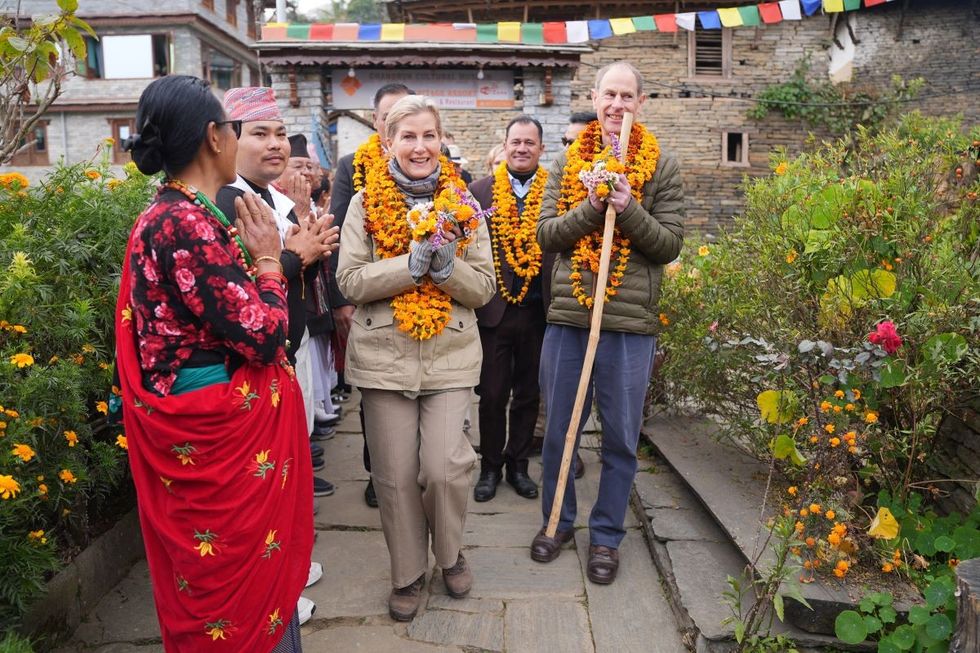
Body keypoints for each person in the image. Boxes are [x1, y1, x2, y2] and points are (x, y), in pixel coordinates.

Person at [116, 74, 313, 651]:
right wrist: (272, 262)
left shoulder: (176, 213)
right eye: (238, 128)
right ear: (214, 136)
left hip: (205, 418)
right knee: (241, 592)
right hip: (217, 427)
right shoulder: (185, 222)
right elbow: (264, 336)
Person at [337, 95, 495, 622]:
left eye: (429, 135)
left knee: (446, 469)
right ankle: (406, 573)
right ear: (389, 142)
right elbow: (350, 280)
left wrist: (447, 269)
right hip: (383, 356)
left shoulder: (464, 205)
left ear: (441, 140)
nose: (420, 146)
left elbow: (484, 289)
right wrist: (410, 265)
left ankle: (449, 554)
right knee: (394, 476)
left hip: (450, 353)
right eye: (408, 136)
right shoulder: (365, 203)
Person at [530, 62, 684, 585]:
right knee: (560, 431)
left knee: (619, 437)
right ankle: (557, 522)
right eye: (609, 94)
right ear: (595, 98)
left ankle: (606, 536)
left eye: (626, 95)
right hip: (570, 317)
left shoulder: (663, 166)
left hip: (629, 326)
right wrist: (594, 206)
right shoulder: (568, 160)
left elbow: (669, 245)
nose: (617, 104)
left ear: (641, 102)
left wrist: (629, 207)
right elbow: (547, 235)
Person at [329, 82, 413, 508]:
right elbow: (337, 234)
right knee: (375, 396)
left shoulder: (433, 164)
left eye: (405, 115)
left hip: (424, 298)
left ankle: (414, 470)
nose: (396, 123)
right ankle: (377, 472)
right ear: (376, 122)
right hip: (372, 299)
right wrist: (341, 302)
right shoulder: (352, 166)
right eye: (388, 116)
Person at [469, 115, 552, 503]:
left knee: (529, 394)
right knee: (491, 395)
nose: (521, 148)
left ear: (541, 149)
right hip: (493, 313)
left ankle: (518, 465)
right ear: (504, 146)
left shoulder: (556, 191)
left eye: (529, 143)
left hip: (538, 313)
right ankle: (489, 467)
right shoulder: (478, 192)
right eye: (515, 142)